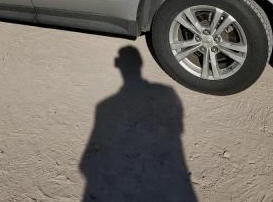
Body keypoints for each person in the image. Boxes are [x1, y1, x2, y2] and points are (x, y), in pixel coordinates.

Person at [80, 46, 197, 202]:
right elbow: (178, 129)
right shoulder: (167, 92)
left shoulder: (105, 106)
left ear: (118, 65)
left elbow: (86, 164)